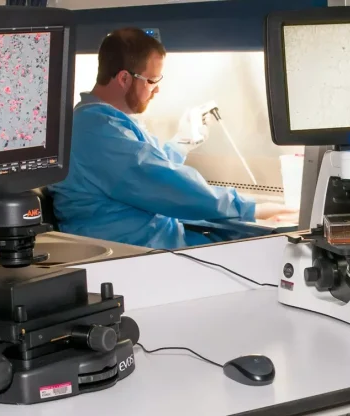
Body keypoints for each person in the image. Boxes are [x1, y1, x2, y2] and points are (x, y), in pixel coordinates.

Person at [49, 28, 296, 250]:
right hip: (135, 254)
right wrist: (250, 209)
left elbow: (147, 171)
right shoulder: (96, 130)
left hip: (155, 241)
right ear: (124, 78)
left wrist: (181, 143)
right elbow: (161, 184)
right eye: (152, 81)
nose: (157, 90)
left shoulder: (105, 121)